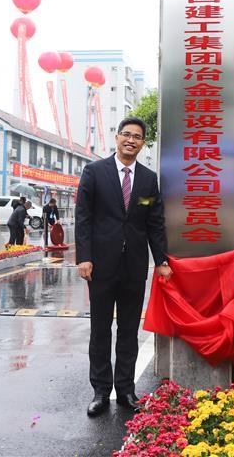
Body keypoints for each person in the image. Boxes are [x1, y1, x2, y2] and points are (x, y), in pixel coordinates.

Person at [75, 117, 172, 418]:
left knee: (129, 330)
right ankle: (100, 391)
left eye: (137, 137)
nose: (131, 140)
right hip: (100, 266)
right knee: (100, 330)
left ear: (142, 143)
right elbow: (83, 217)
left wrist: (162, 260)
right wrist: (84, 257)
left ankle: (126, 390)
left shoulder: (147, 179)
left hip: (134, 266)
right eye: (126, 135)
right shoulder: (94, 172)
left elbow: (154, 223)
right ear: (117, 138)